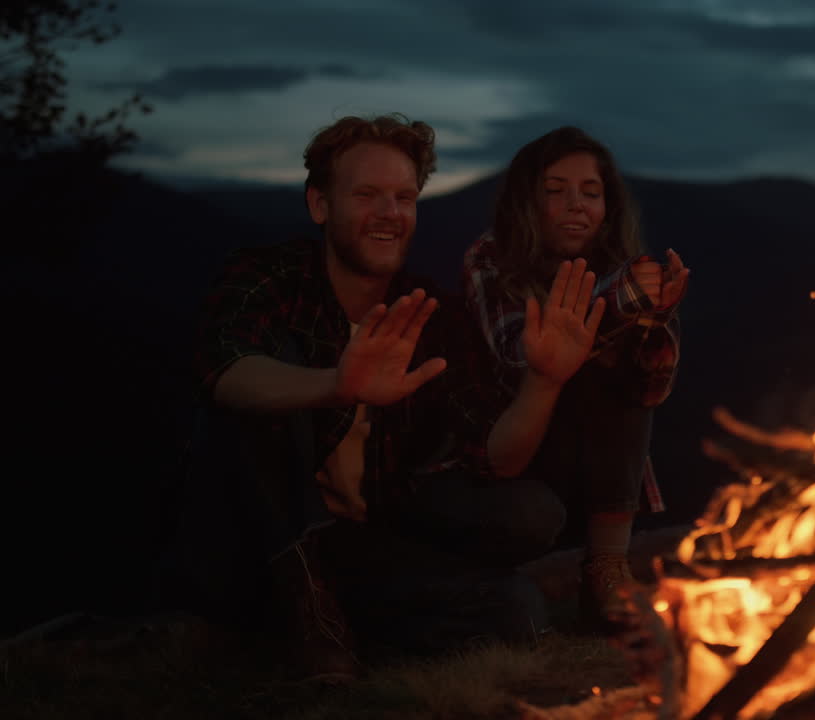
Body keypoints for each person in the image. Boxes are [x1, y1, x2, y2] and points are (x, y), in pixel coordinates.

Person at [179, 114, 598, 683]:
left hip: (360, 542)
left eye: (404, 197)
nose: (390, 214)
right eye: (367, 195)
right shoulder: (271, 278)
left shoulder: (427, 314)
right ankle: (305, 611)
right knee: (266, 384)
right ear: (320, 205)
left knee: (520, 598)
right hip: (258, 538)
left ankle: (325, 617)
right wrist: (334, 387)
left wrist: (544, 381)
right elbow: (223, 368)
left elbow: (498, 457)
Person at [463, 126, 689, 630]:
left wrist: (651, 317)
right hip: (511, 451)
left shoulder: (616, 267)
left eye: (590, 192)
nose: (576, 205)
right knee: (578, 356)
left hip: (597, 461)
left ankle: (606, 571)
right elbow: (516, 354)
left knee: (622, 371)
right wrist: (616, 304)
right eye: (555, 190)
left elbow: (651, 390)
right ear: (526, 199)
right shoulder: (490, 258)